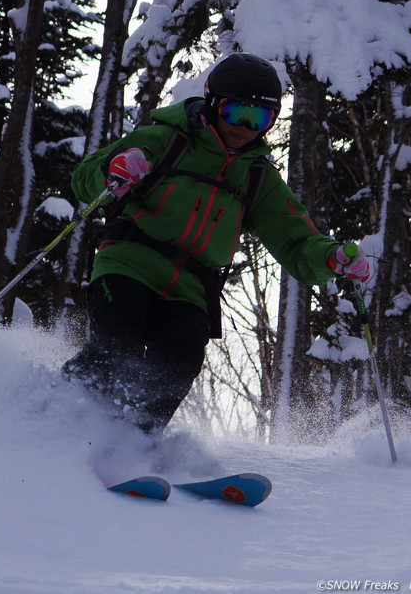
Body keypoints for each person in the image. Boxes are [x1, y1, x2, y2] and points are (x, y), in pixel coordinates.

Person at [62, 52, 370, 435]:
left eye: (259, 119)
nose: (245, 127)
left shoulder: (256, 177)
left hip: (191, 288)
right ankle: (62, 413)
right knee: (119, 343)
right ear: (211, 104)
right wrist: (118, 168)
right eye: (235, 113)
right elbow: (86, 178)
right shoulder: (164, 140)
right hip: (129, 262)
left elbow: (295, 239)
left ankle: (132, 444)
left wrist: (332, 258)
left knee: (180, 359)